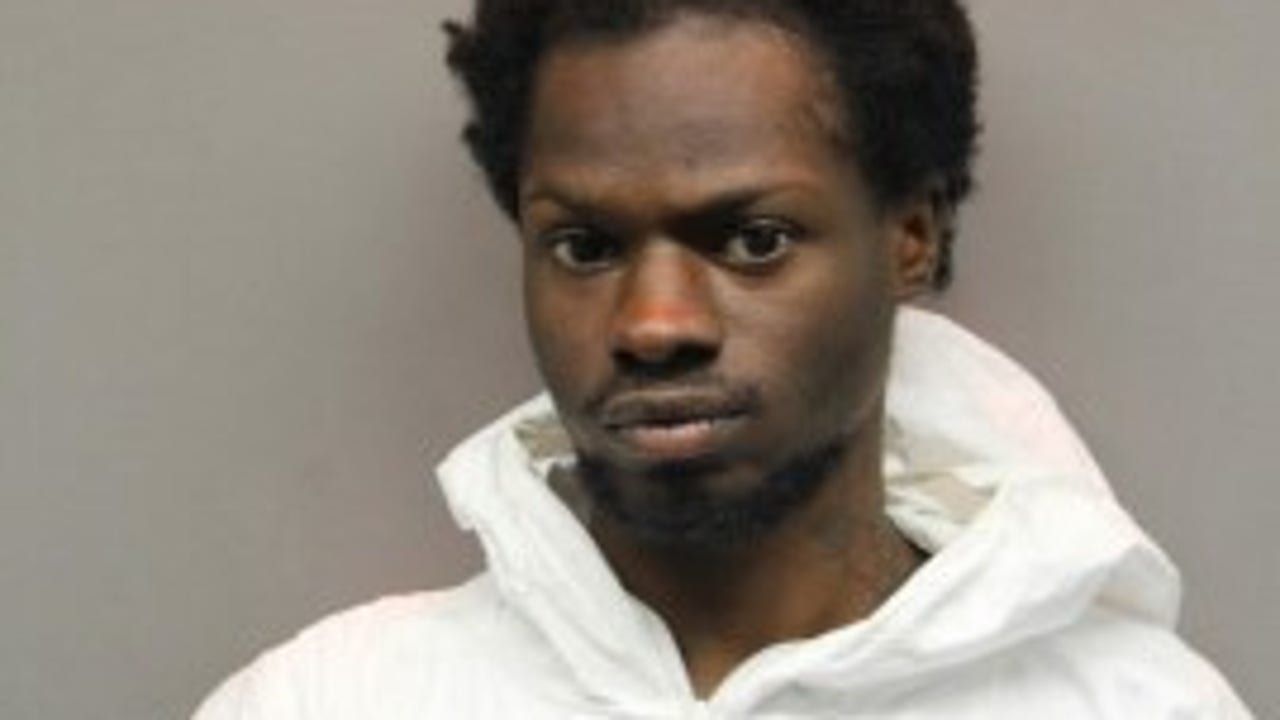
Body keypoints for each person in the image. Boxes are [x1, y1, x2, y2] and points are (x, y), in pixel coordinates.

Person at [195, 0, 1252, 717]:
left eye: (752, 240)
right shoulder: (330, 700)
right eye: (585, 247)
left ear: (910, 239)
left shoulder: (1135, 706)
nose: (654, 324)